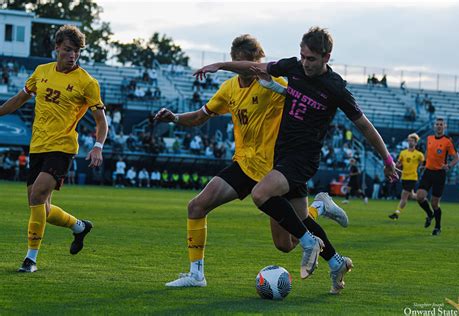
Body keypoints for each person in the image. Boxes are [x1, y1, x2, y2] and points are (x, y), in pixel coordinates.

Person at [194, 26, 399, 293]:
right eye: (302, 56)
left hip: (302, 159)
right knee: (287, 239)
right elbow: (256, 68)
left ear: (327, 57)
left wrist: (387, 159)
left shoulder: (335, 88)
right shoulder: (294, 68)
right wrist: (221, 65)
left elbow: (364, 125)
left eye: (311, 59)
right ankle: (336, 260)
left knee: (260, 194)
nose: (305, 63)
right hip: (280, 156)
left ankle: (310, 242)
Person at [156, 34, 348, 292]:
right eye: (237, 63)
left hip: (276, 169)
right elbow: (201, 116)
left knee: (286, 243)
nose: (243, 69)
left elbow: (306, 102)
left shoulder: (274, 83)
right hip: (244, 165)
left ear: (258, 62)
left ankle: (318, 209)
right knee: (197, 206)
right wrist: (175, 118)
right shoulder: (229, 89)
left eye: (247, 63)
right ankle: (196, 274)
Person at [0, 25, 108, 273]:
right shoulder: (41, 71)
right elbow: (18, 99)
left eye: (77, 52)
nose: (73, 56)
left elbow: (102, 122)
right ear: (57, 47)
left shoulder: (87, 82)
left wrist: (98, 147)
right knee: (41, 208)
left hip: (62, 146)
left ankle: (30, 258)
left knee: (38, 196)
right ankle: (79, 227)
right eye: (68, 50)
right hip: (38, 145)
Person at [416, 117, 459, 235]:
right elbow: (427, 152)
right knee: (419, 196)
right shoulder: (429, 138)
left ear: (444, 127)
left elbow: (456, 158)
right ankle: (430, 214)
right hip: (428, 172)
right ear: (434, 126)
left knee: (434, 203)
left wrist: (449, 166)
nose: (439, 126)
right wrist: (424, 164)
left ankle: (438, 227)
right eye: (437, 124)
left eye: (441, 124)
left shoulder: (447, 141)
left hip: (439, 174)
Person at [389, 133, 424, 220]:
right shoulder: (403, 153)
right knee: (412, 196)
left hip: (412, 178)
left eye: (412, 141)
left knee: (404, 196)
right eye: (409, 140)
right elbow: (398, 164)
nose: (410, 142)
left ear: (416, 143)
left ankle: (397, 213)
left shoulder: (419, 154)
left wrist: (421, 168)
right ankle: (423, 199)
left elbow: (423, 164)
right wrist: (395, 165)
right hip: (404, 177)